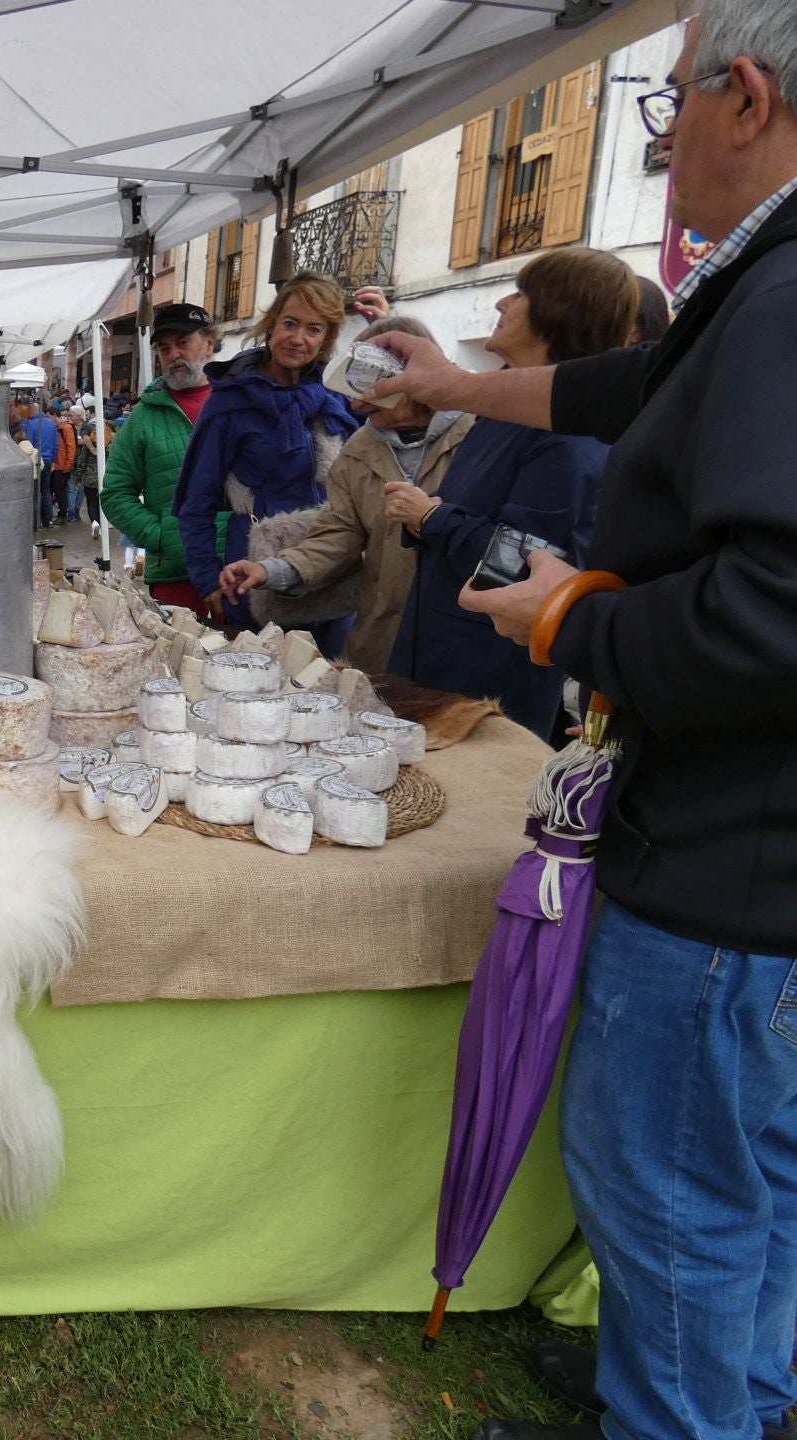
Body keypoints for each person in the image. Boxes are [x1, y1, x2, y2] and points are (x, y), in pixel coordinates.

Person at [365, 6, 797, 1436]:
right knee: (756, 1188)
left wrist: (564, 619)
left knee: (674, 1192)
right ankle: (714, 1389)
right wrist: (453, 383)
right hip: (761, 874)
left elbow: (768, 615)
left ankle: (674, 1412)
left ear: (748, 97)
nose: (663, 145)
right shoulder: (759, 294)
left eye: (669, 109)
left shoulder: (788, 297)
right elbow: (634, 383)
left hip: (731, 874)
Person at [382, 247, 632, 735]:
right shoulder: (506, 409)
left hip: (489, 673)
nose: (502, 304)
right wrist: (428, 521)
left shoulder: (571, 434)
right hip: (435, 646)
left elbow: (532, 561)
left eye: (521, 293)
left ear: (559, 313)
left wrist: (431, 518)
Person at [218, 316, 476, 673]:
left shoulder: (478, 437)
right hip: (381, 646)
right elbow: (338, 532)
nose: (356, 405)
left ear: (409, 376)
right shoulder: (360, 450)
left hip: (462, 647)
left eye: (369, 386)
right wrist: (271, 570)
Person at [170, 273, 362, 652]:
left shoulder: (337, 394)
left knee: (335, 688)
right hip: (256, 574)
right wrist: (208, 579)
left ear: (326, 338)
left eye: (314, 329)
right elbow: (196, 503)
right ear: (272, 325)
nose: (298, 338)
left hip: (333, 571)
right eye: (290, 323)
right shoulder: (230, 402)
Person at [100, 301, 226, 617]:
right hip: (175, 573)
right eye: (164, 348)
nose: (173, 355)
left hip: (239, 569)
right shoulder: (143, 416)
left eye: (183, 343)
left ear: (209, 345)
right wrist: (164, 535)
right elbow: (115, 494)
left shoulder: (237, 404)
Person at [23, 402, 60, 527]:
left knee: (35, 492)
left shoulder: (31, 424)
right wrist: (54, 459)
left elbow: (29, 444)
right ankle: (48, 519)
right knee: (46, 490)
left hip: (36, 460)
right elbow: (56, 444)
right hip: (49, 460)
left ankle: (36, 520)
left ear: (32, 412)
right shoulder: (52, 424)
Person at [50, 406, 78, 524]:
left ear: (54, 415)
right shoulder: (61, 427)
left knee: (60, 490)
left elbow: (71, 447)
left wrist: (68, 465)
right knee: (58, 490)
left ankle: (63, 514)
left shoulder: (65, 428)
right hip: (59, 464)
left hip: (62, 465)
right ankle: (62, 513)